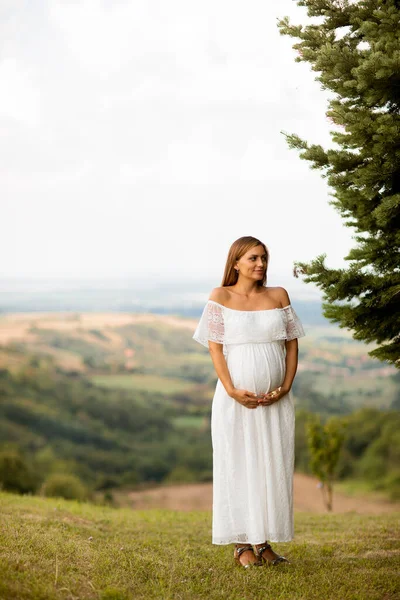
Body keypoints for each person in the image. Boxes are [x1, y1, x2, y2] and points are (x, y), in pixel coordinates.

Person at [192, 236, 305, 568]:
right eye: (253, 258)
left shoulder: (278, 295)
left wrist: (285, 386)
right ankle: (242, 545)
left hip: (275, 402)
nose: (261, 264)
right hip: (236, 401)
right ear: (236, 262)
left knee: (271, 466)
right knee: (239, 464)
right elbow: (215, 347)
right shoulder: (220, 297)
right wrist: (230, 389)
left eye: (264, 258)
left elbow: (292, 345)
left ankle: (263, 542)